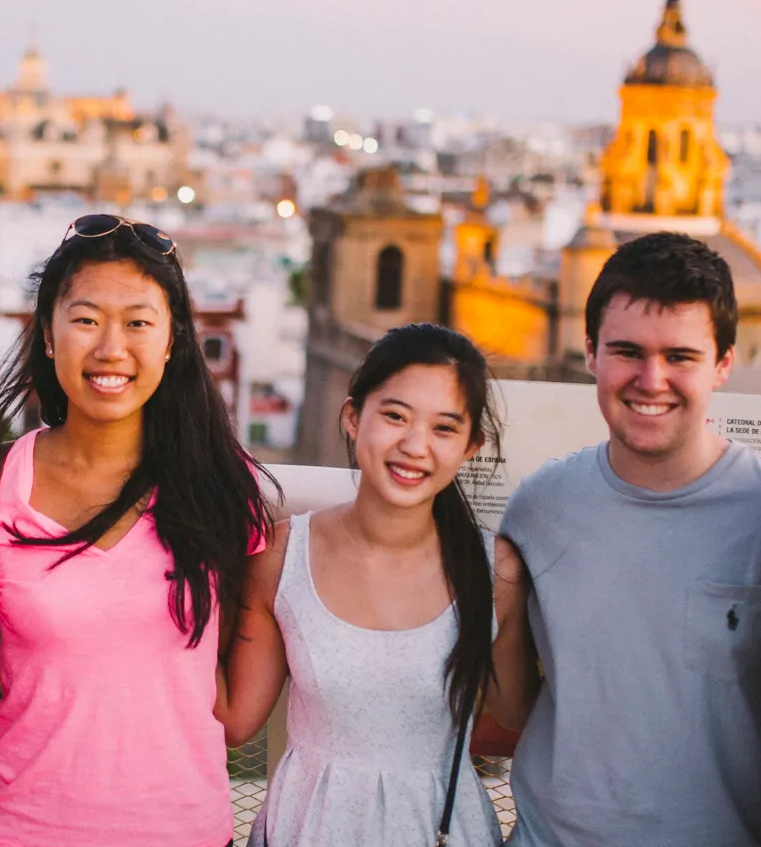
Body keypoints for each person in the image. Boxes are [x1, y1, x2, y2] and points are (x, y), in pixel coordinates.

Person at [0, 213, 274, 847]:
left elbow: (231, 682)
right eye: (87, 319)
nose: (111, 349)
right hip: (18, 832)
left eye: (139, 323)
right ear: (47, 335)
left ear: (173, 340)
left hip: (184, 832)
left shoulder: (223, 489)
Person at [492, 233, 761, 846]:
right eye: (627, 351)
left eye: (680, 356)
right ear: (591, 354)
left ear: (724, 363)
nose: (650, 379)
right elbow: (511, 707)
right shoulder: (541, 507)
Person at [218, 322, 529, 847]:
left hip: (441, 830)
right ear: (352, 416)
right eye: (395, 416)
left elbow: (523, 720)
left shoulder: (495, 571)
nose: (414, 445)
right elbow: (237, 720)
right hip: (305, 828)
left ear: (472, 445)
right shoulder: (279, 555)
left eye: (444, 428)